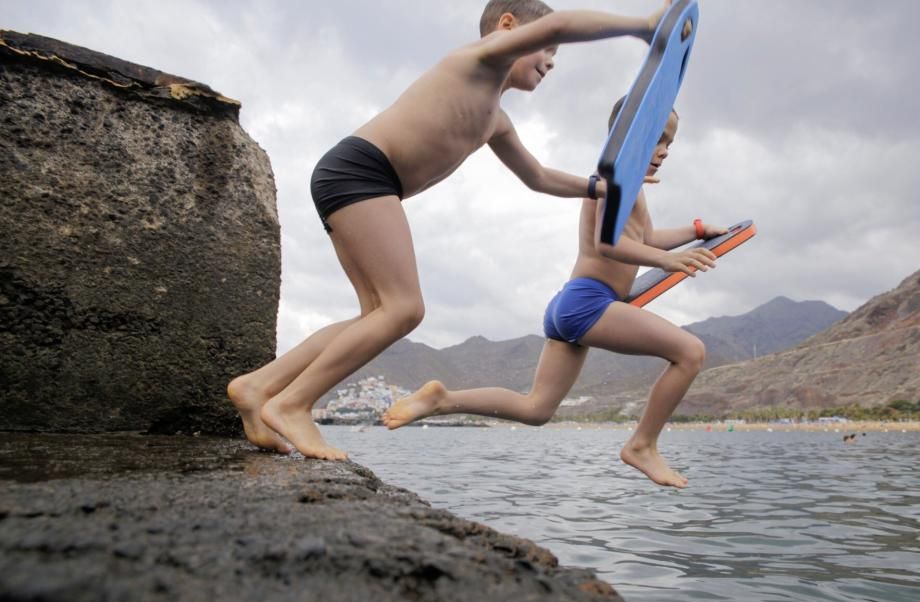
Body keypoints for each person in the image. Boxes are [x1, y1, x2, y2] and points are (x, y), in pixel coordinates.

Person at [227, 0, 676, 460]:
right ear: (507, 27)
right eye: (547, 49)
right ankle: (294, 403)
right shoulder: (477, 61)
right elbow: (560, 22)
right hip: (363, 172)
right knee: (405, 309)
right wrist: (641, 27)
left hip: (358, 178)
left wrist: (600, 187)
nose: (550, 62)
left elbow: (539, 177)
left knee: (376, 314)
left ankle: (258, 388)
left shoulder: (496, 119)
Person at [383, 99, 726, 488]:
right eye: (658, 139)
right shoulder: (613, 177)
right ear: (628, 132)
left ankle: (441, 399)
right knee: (690, 352)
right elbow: (608, 244)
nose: (664, 151)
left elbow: (645, 239)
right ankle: (642, 445)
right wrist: (668, 262)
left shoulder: (625, 182)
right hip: (589, 302)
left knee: (536, 408)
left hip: (573, 303)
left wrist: (697, 230)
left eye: (670, 144)